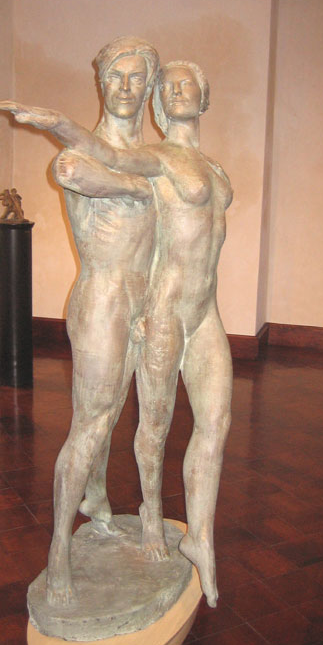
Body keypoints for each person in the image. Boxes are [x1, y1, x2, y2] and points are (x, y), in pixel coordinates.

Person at [35, 60, 234, 607]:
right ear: (158, 103)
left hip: (206, 310)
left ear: (205, 97)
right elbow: (108, 159)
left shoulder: (213, 167)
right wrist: (57, 123)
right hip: (160, 309)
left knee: (215, 423)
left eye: (186, 84)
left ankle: (199, 538)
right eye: (167, 86)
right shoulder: (158, 158)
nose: (176, 92)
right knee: (142, 426)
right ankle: (129, 521)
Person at [0, 37, 159, 605]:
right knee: (90, 423)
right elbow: (79, 171)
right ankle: (59, 549)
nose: (126, 88)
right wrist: (141, 190)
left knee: (113, 413)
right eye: (116, 76)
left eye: (137, 77)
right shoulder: (77, 155)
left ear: (150, 86)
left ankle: (97, 501)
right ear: (100, 83)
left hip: (141, 299)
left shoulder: (151, 157)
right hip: (103, 298)